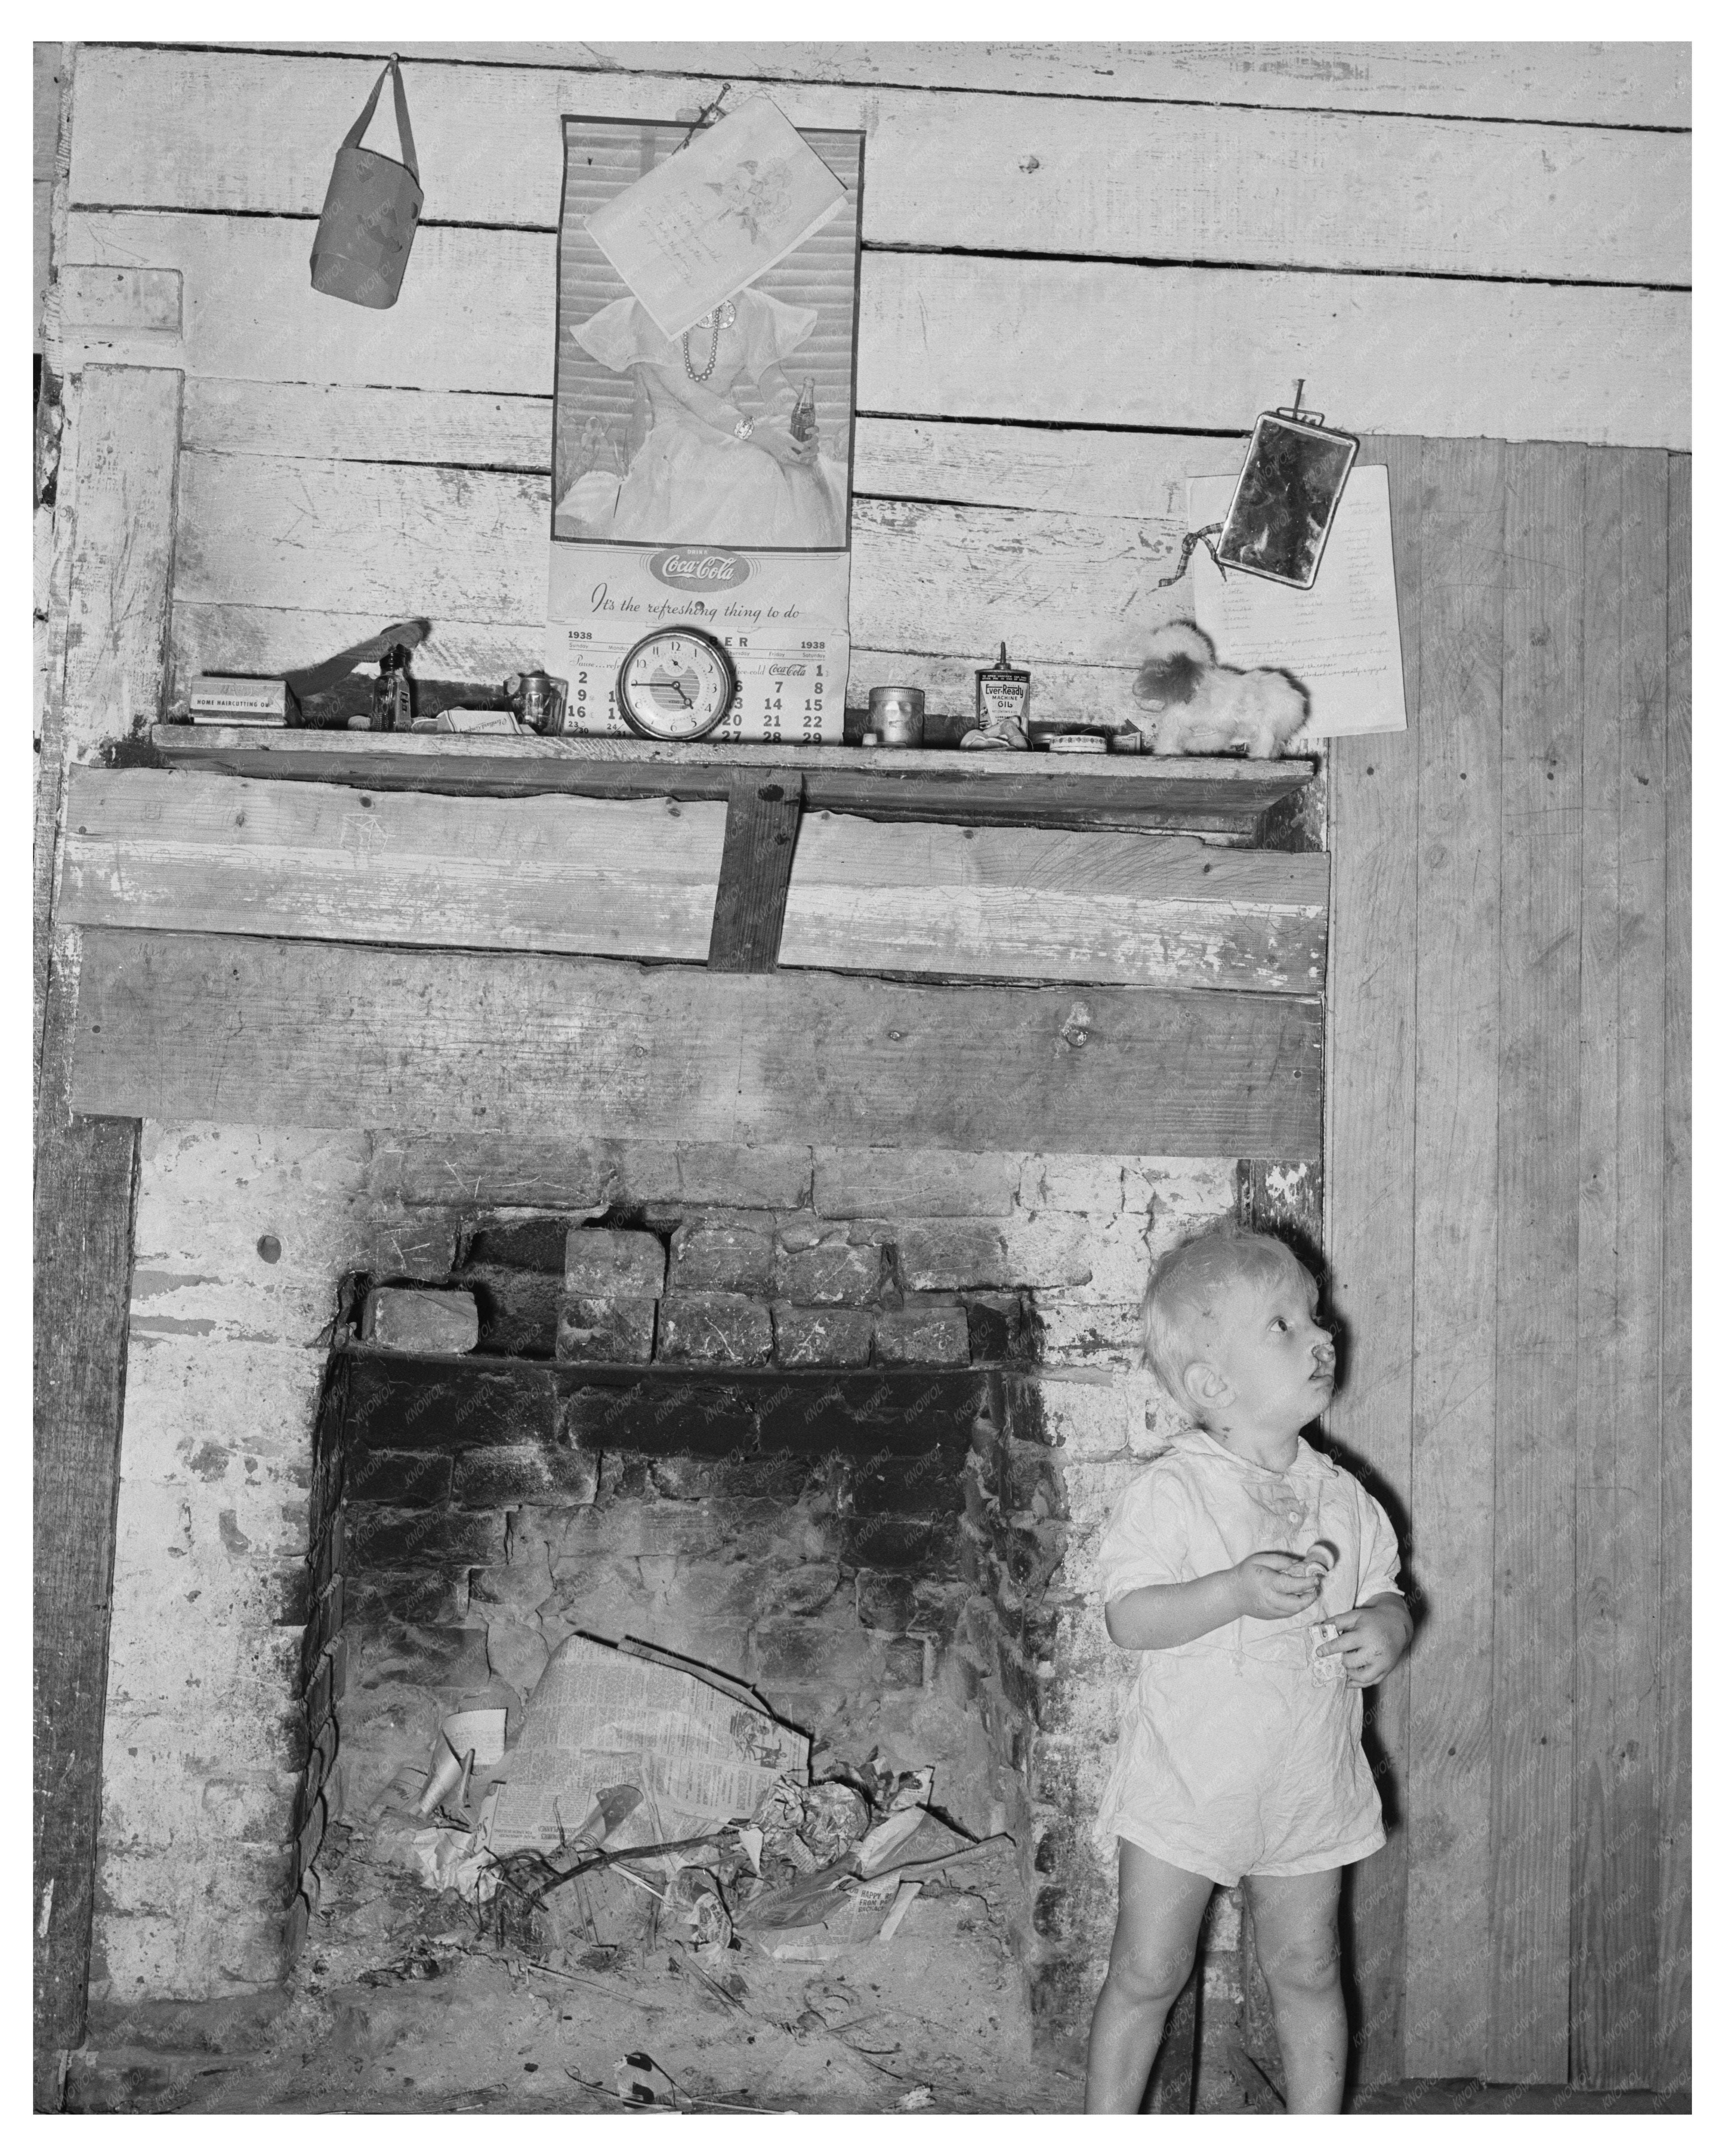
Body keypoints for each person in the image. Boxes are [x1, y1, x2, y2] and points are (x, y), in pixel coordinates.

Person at [1085, 1224, 1413, 2115]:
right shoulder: (1175, 1490)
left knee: (1307, 1968)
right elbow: (1128, 1616)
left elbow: (1384, 1590)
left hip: (1303, 1783)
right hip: (1186, 1787)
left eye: (1312, 1313)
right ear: (1209, 1384)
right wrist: (1227, 1591)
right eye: (1281, 1323)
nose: (1320, 1333)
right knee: (1148, 1971)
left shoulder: (1342, 1499)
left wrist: (1386, 1627)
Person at [558, 283, 845, 549]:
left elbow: (772, 380)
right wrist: (761, 435)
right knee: (757, 469)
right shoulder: (650, 313)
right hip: (678, 441)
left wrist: (794, 424)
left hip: (737, 433)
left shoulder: (749, 306)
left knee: (801, 467)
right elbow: (695, 399)